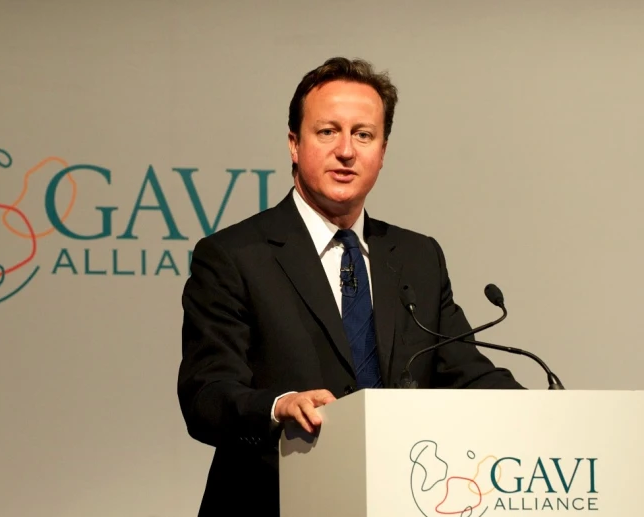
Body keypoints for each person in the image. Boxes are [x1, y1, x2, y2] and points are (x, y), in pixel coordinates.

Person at [177, 56, 523, 517]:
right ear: (294, 144)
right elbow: (206, 394)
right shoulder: (234, 255)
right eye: (328, 132)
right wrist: (279, 406)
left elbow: (466, 371)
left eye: (363, 134)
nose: (346, 151)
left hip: (399, 502)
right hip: (273, 501)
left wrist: (545, 418)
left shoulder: (417, 256)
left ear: (383, 151)